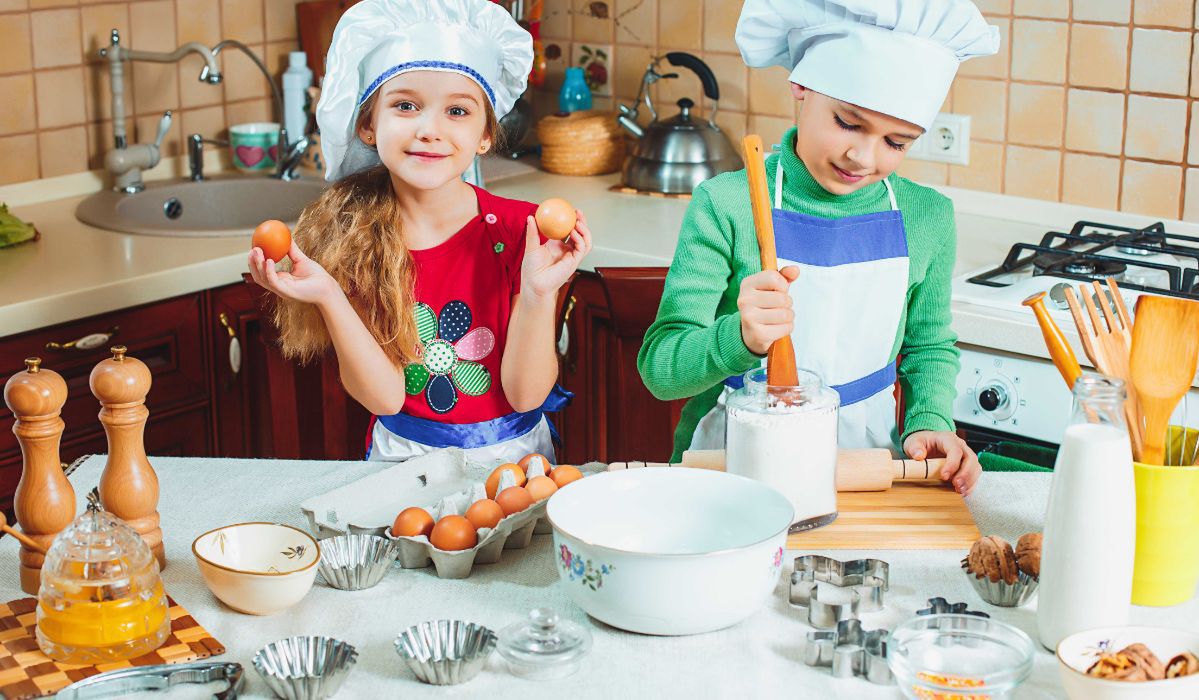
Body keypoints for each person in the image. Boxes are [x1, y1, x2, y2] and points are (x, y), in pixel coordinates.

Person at [638, 0, 999, 494]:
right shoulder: (727, 204)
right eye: (848, 123)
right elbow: (661, 370)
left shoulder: (928, 218)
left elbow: (928, 347)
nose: (862, 156)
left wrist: (930, 420)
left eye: (896, 142)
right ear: (801, 87)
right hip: (728, 469)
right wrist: (739, 339)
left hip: (864, 468)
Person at [248, 0, 591, 464]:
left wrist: (537, 294)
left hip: (516, 464)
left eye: (457, 111)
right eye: (406, 105)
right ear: (369, 125)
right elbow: (386, 400)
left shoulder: (522, 231)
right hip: (403, 464)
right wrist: (329, 295)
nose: (430, 130)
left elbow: (526, 395)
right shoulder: (357, 239)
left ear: (485, 134)